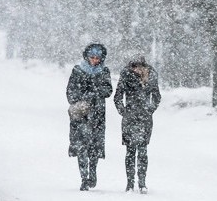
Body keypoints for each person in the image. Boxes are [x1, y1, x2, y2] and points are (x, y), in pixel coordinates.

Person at [66, 43, 113, 191]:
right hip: (80, 114)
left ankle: (92, 173)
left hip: (98, 115)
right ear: (87, 57)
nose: (94, 60)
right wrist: (83, 97)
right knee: (81, 147)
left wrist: (95, 93)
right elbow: (70, 91)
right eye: (92, 57)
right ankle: (84, 178)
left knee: (94, 147)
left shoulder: (104, 71)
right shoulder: (77, 70)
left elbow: (108, 90)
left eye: (97, 58)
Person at [114, 55, 161, 193]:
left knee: (143, 151)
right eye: (134, 66)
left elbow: (157, 96)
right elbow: (117, 96)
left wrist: (150, 109)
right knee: (130, 151)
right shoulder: (125, 76)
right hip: (129, 118)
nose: (136, 69)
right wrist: (123, 111)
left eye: (139, 66)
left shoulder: (151, 77)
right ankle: (130, 183)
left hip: (145, 119)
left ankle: (142, 183)